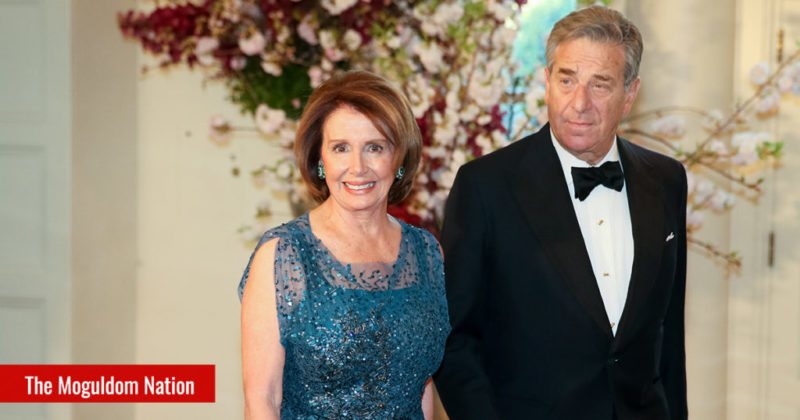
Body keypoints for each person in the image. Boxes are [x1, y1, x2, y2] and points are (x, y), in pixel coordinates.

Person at [434, 6, 687, 420]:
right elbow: (454, 338)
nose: (579, 103)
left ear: (630, 94)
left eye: (600, 84)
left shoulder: (667, 179)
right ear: (546, 81)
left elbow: (668, 333)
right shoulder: (486, 186)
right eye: (567, 80)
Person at [239, 70, 450, 419]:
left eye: (375, 147)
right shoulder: (282, 255)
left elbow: (420, 386)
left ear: (399, 159)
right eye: (341, 148)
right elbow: (262, 400)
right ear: (320, 160)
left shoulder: (427, 253)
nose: (357, 167)